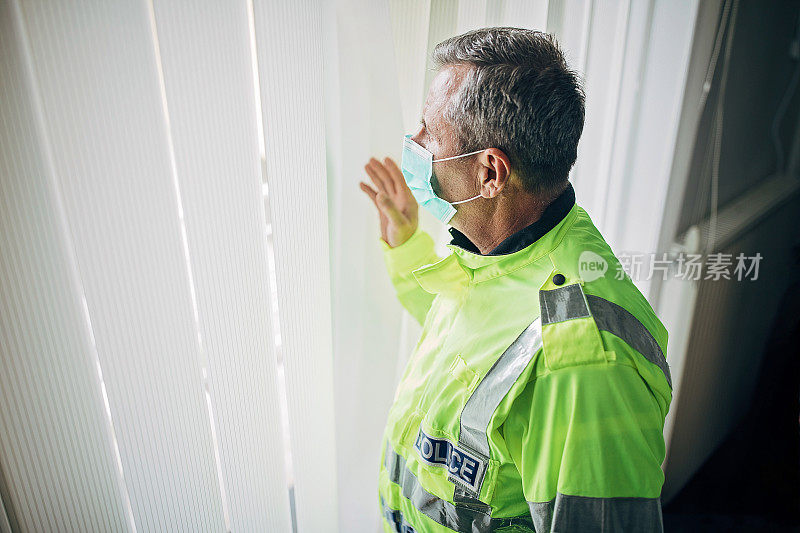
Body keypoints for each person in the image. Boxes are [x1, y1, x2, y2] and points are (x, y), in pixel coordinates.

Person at [359, 27, 672, 533]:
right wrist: (407, 244)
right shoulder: (500, 254)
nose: (413, 144)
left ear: (489, 174)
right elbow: (472, 346)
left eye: (427, 132)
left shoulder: (584, 357)